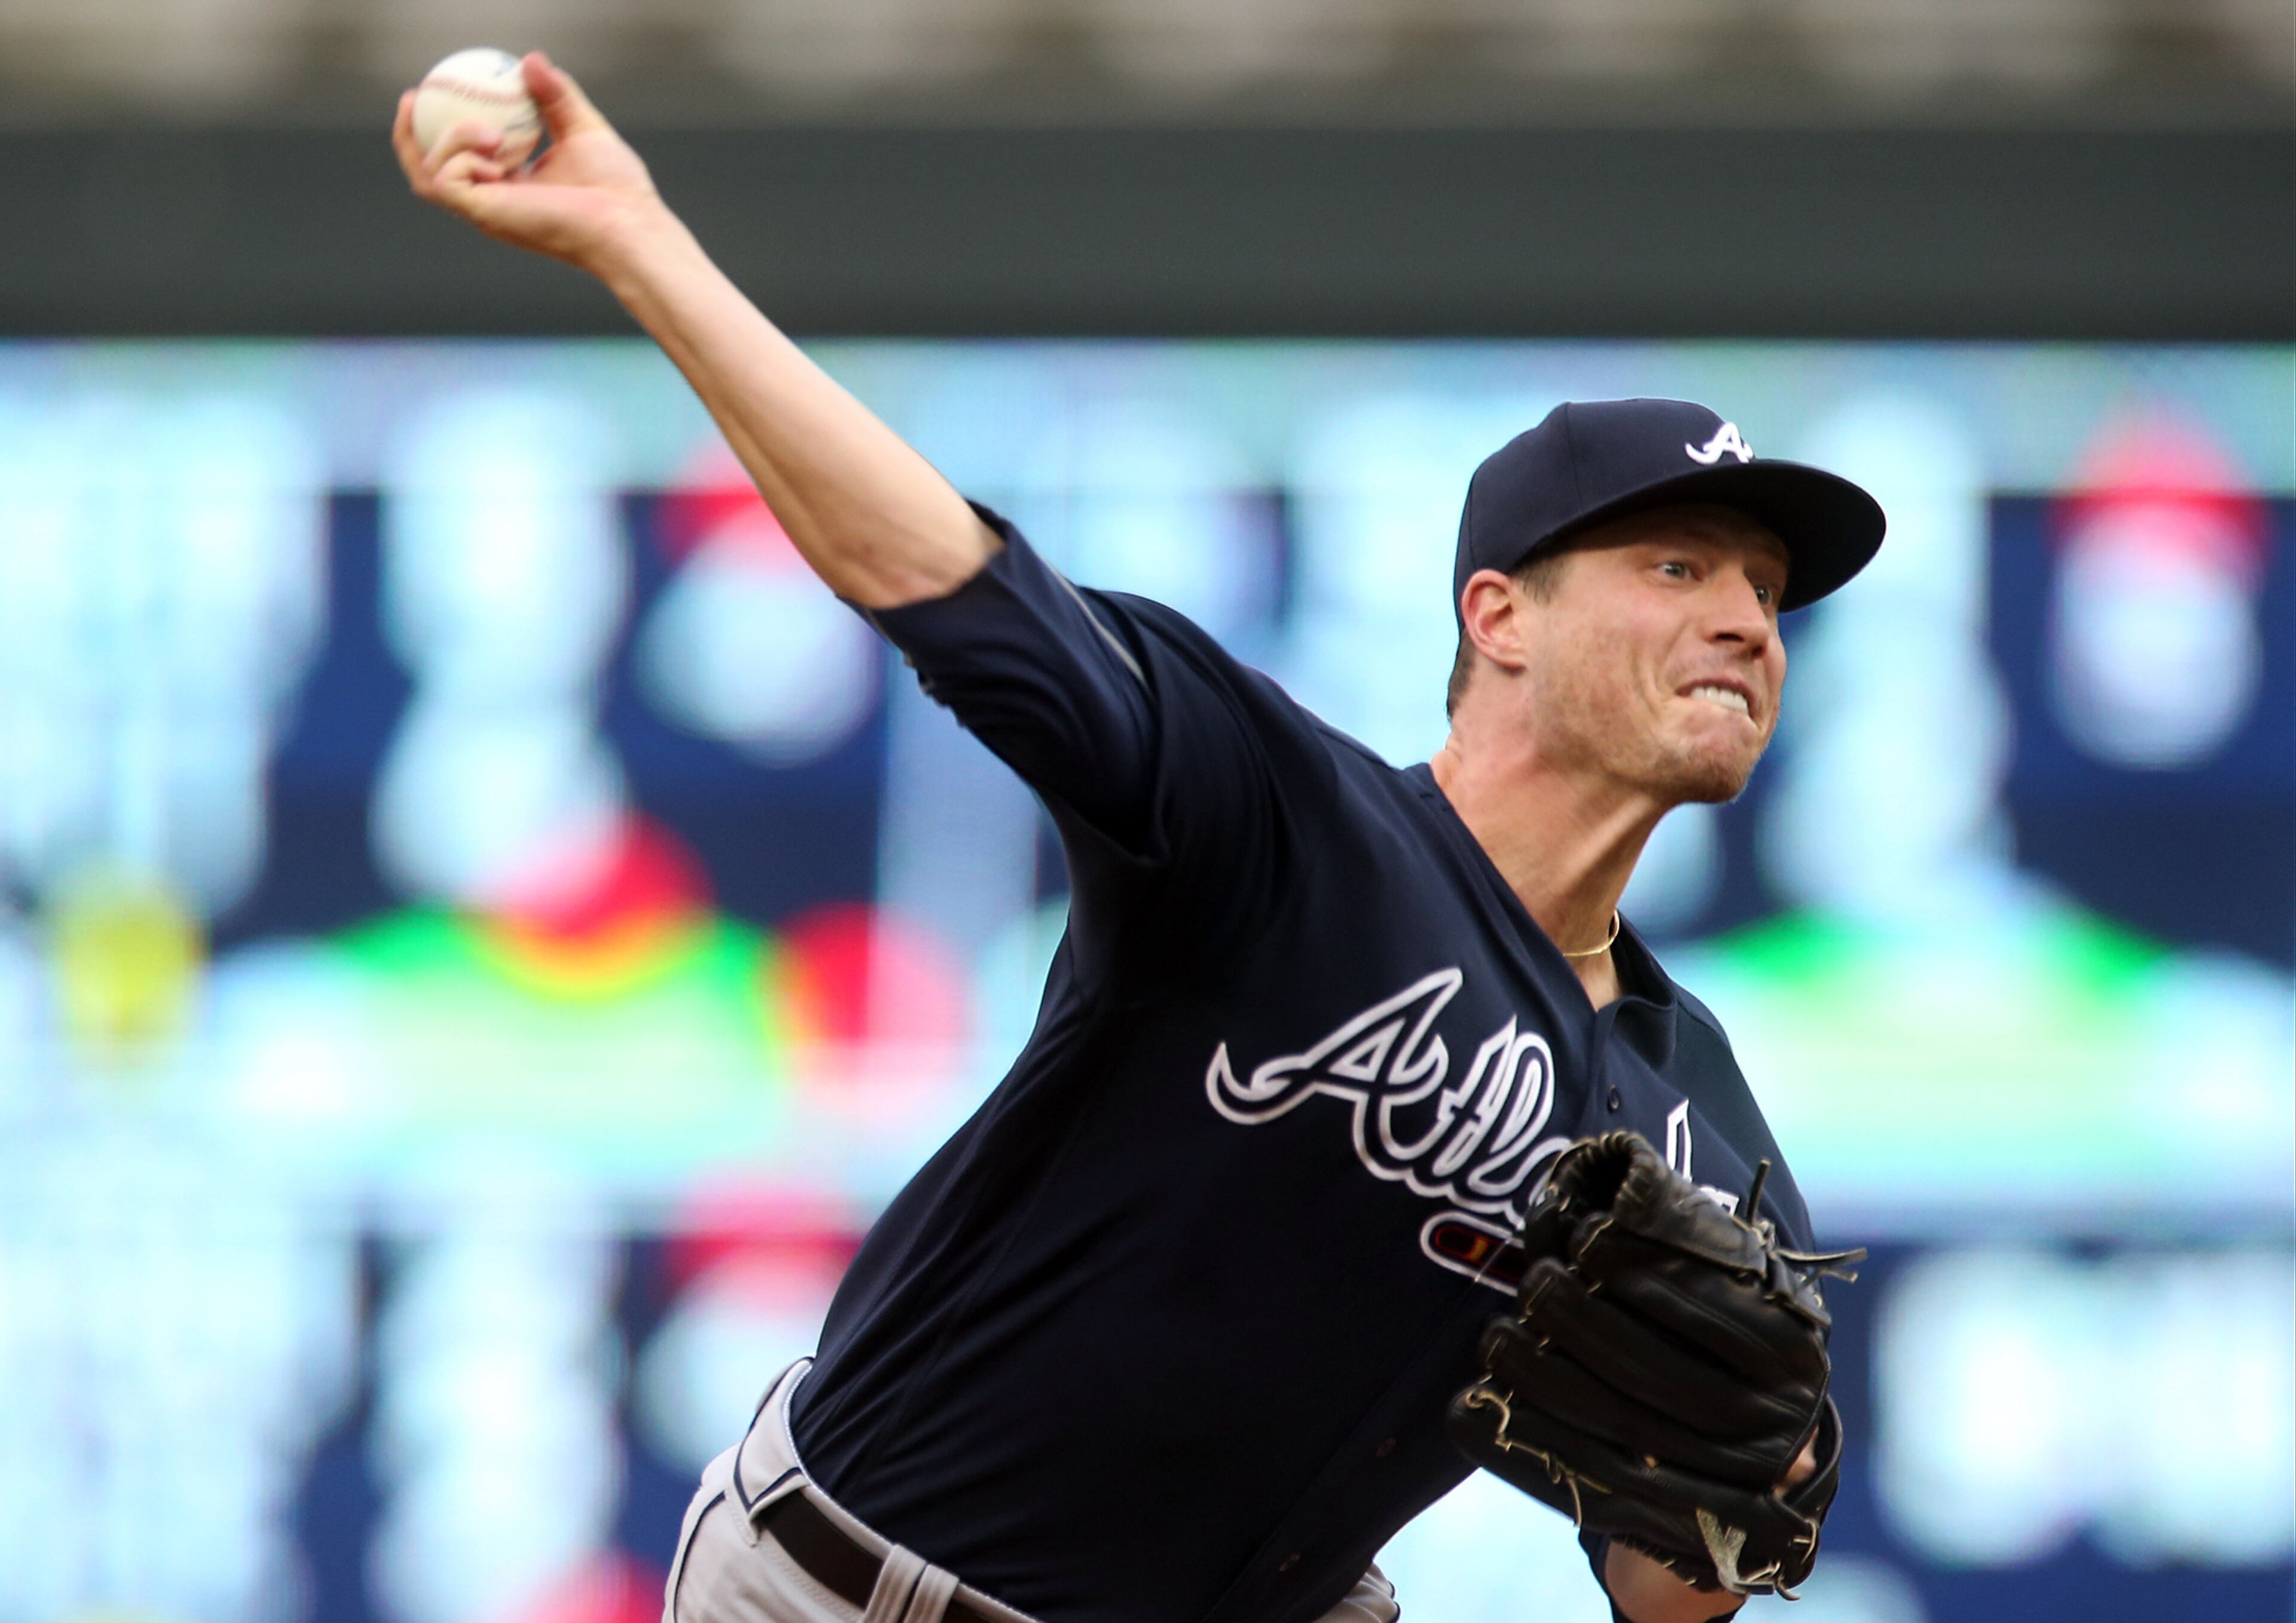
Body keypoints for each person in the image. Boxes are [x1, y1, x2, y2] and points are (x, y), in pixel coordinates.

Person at [392, 54, 1885, 1623]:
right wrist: (645, 248)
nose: (1745, 620)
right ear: (1496, 615)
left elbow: (1666, 1588)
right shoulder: (1281, 822)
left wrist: (1761, 1477)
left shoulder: (1692, 1112)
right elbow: (957, 585)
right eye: (1676, 565)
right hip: (861, 1594)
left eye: (1766, 593)